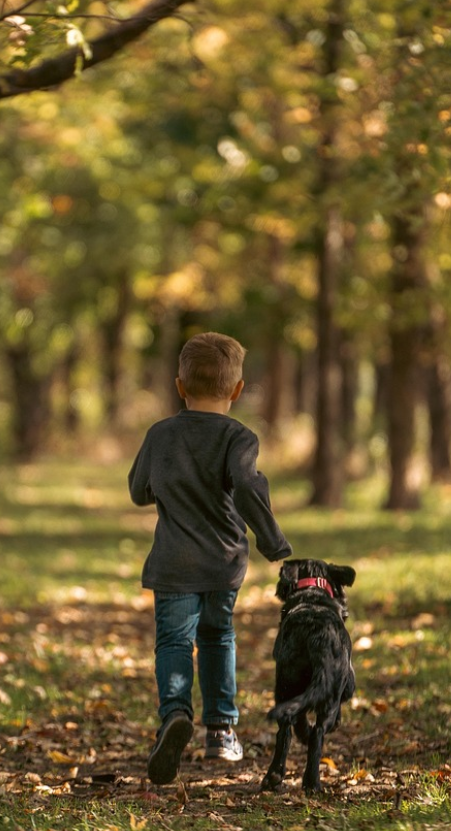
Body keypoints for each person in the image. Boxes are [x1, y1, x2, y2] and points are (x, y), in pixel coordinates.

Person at [127, 331, 293, 786]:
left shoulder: (160, 434)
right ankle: (220, 730)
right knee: (218, 636)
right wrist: (274, 542)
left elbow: (139, 489)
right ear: (236, 390)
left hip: (173, 563)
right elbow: (247, 487)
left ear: (180, 386)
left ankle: (175, 715)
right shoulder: (240, 437)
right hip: (223, 563)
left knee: (174, 642)